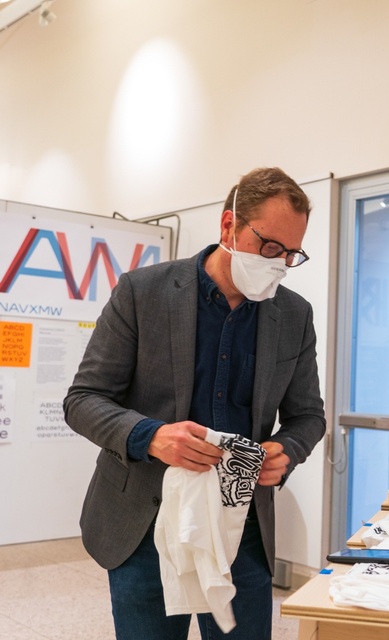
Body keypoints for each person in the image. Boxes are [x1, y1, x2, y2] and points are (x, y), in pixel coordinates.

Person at [64, 167, 326, 640]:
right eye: (269, 247)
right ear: (228, 226)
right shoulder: (142, 293)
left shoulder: (294, 315)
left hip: (240, 530)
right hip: (145, 525)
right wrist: (152, 436)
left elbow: (308, 416)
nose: (280, 263)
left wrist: (285, 452)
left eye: (292, 253)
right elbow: (83, 400)